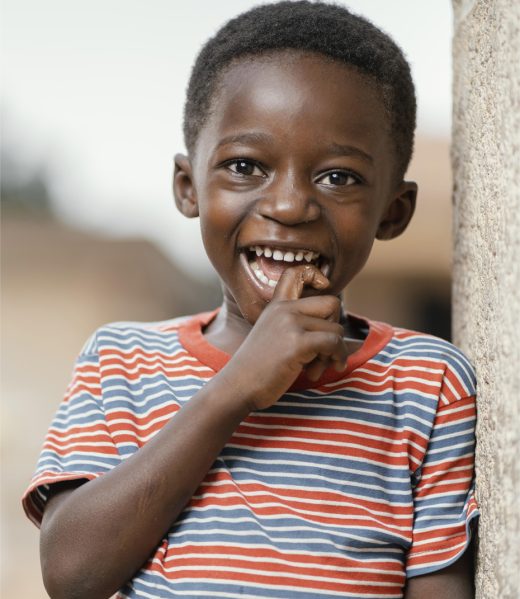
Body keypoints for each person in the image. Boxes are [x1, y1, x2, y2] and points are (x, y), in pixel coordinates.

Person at [22, 2, 479, 598]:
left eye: (338, 177)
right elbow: (70, 575)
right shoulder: (122, 363)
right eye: (245, 166)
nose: (290, 206)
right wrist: (236, 388)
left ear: (393, 212)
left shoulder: (427, 382)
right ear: (189, 187)